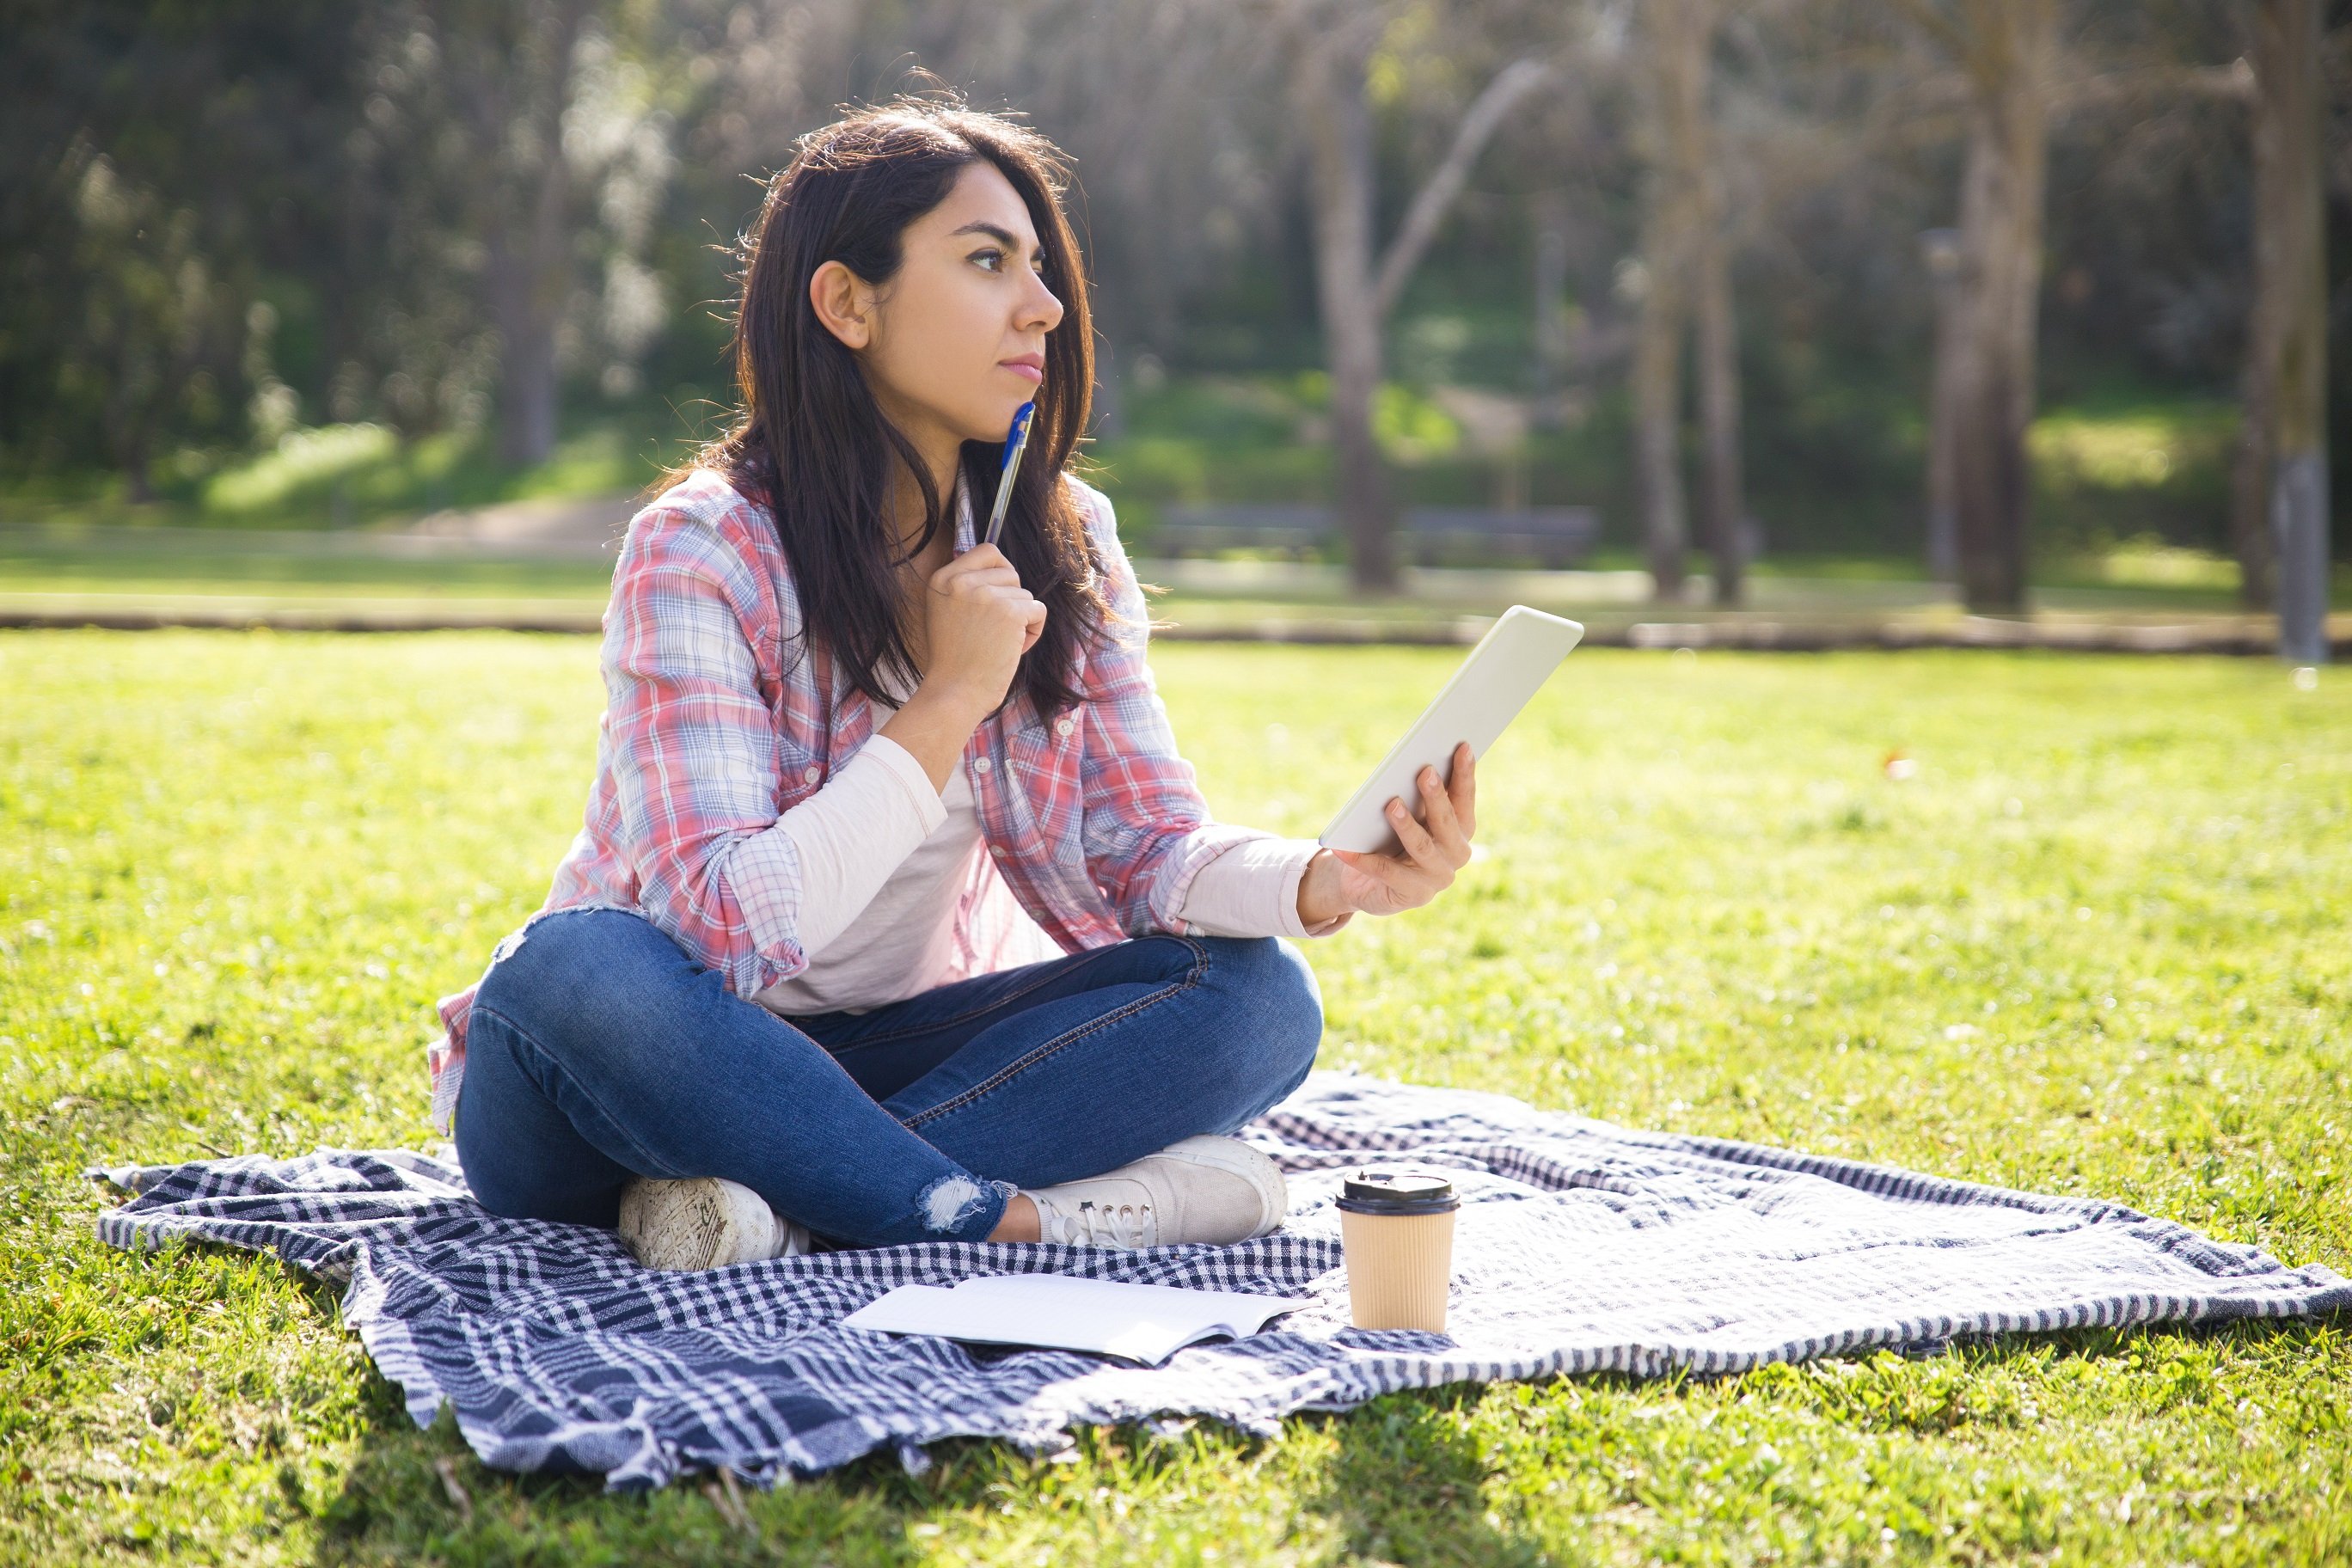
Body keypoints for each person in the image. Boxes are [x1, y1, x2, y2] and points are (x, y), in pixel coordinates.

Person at [429, 97, 1481, 1270]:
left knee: (1259, 995)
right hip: (636, 1066)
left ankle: (791, 1203)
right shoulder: (705, 546)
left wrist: (1328, 880)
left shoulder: (1065, 539)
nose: (1044, 305)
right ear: (846, 303)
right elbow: (713, 931)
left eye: (1040, 267)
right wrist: (945, 701)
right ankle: (1005, 1213)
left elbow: (1139, 843)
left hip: (887, 1055)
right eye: (988, 261)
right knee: (574, 967)